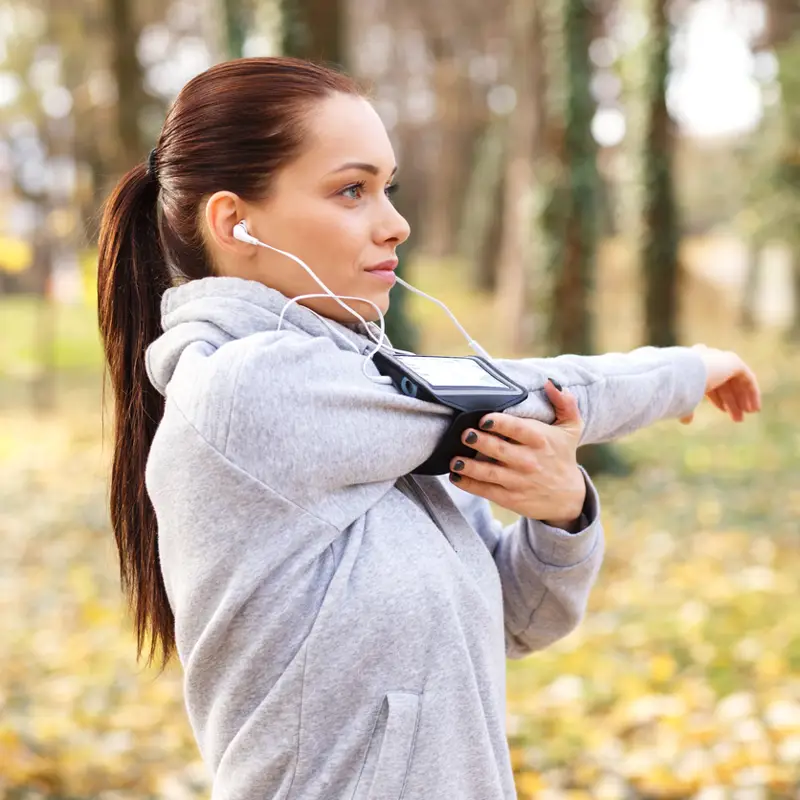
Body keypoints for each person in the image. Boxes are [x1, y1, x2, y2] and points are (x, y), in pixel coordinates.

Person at [96, 57, 761, 800]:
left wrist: (560, 512)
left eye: (389, 188)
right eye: (352, 190)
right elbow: (535, 390)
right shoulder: (247, 390)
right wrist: (688, 370)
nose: (395, 222)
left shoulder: (376, 402)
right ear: (234, 221)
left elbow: (520, 620)